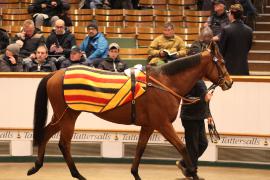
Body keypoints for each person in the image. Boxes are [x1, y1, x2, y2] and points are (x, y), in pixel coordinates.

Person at [176, 27, 214, 180]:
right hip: (190, 115)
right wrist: (205, 97)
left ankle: (185, 163)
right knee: (192, 146)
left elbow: (204, 98)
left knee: (203, 144)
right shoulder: (190, 78)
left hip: (199, 115)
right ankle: (192, 173)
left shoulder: (199, 79)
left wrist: (209, 114)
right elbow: (191, 96)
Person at [220, 3, 253, 75]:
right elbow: (248, 48)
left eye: (229, 13)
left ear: (232, 15)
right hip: (243, 68)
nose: (228, 14)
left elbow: (221, 50)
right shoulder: (249, 30)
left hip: (229, 69)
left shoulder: (226, 30)